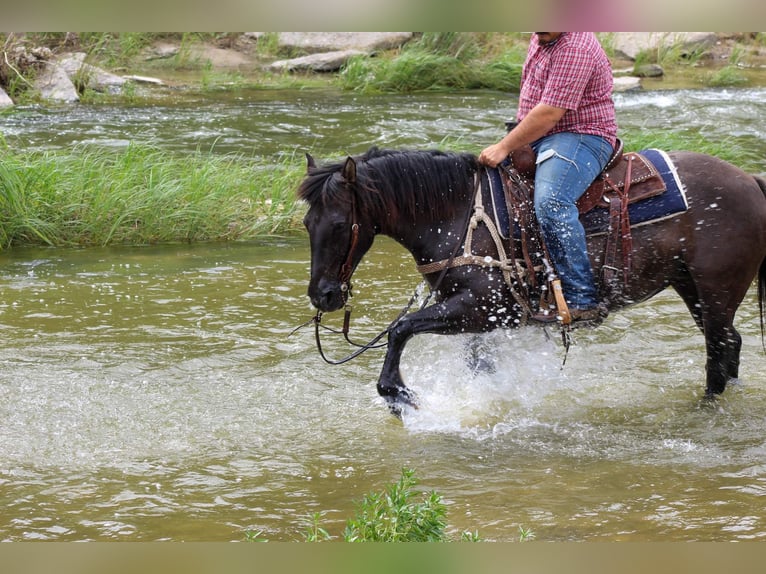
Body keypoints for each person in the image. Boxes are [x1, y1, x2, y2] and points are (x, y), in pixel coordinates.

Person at [478, 32, 617, 325]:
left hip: (581, 134)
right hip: (541, 135)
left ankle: (582, 299)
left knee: (552, 202)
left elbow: (551, 112)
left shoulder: (575, 47)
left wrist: (505, 146)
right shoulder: (543, 35)